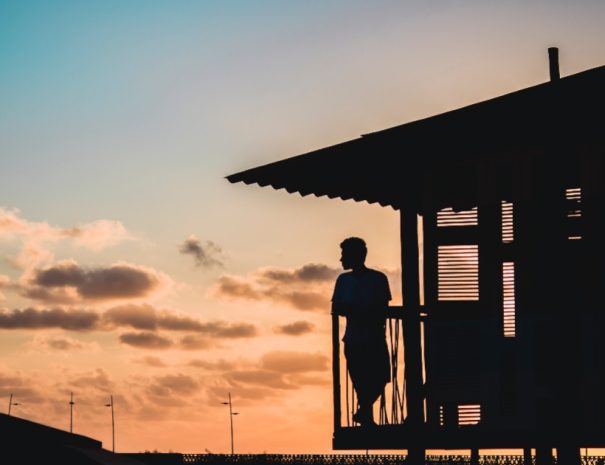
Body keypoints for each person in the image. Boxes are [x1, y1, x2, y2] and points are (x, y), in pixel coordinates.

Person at [331, 237, 391, 427]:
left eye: (344, 254)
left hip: (373, 338)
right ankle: (365, 414)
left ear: (357, 255)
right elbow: (337, 307)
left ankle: (364, 412)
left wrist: (356, 310)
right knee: (360, 382)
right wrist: (358, 310)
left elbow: (382, 308)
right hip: (353, 340)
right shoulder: (343, 280)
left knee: (381, 377)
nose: (341, 259)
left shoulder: (378, 279)